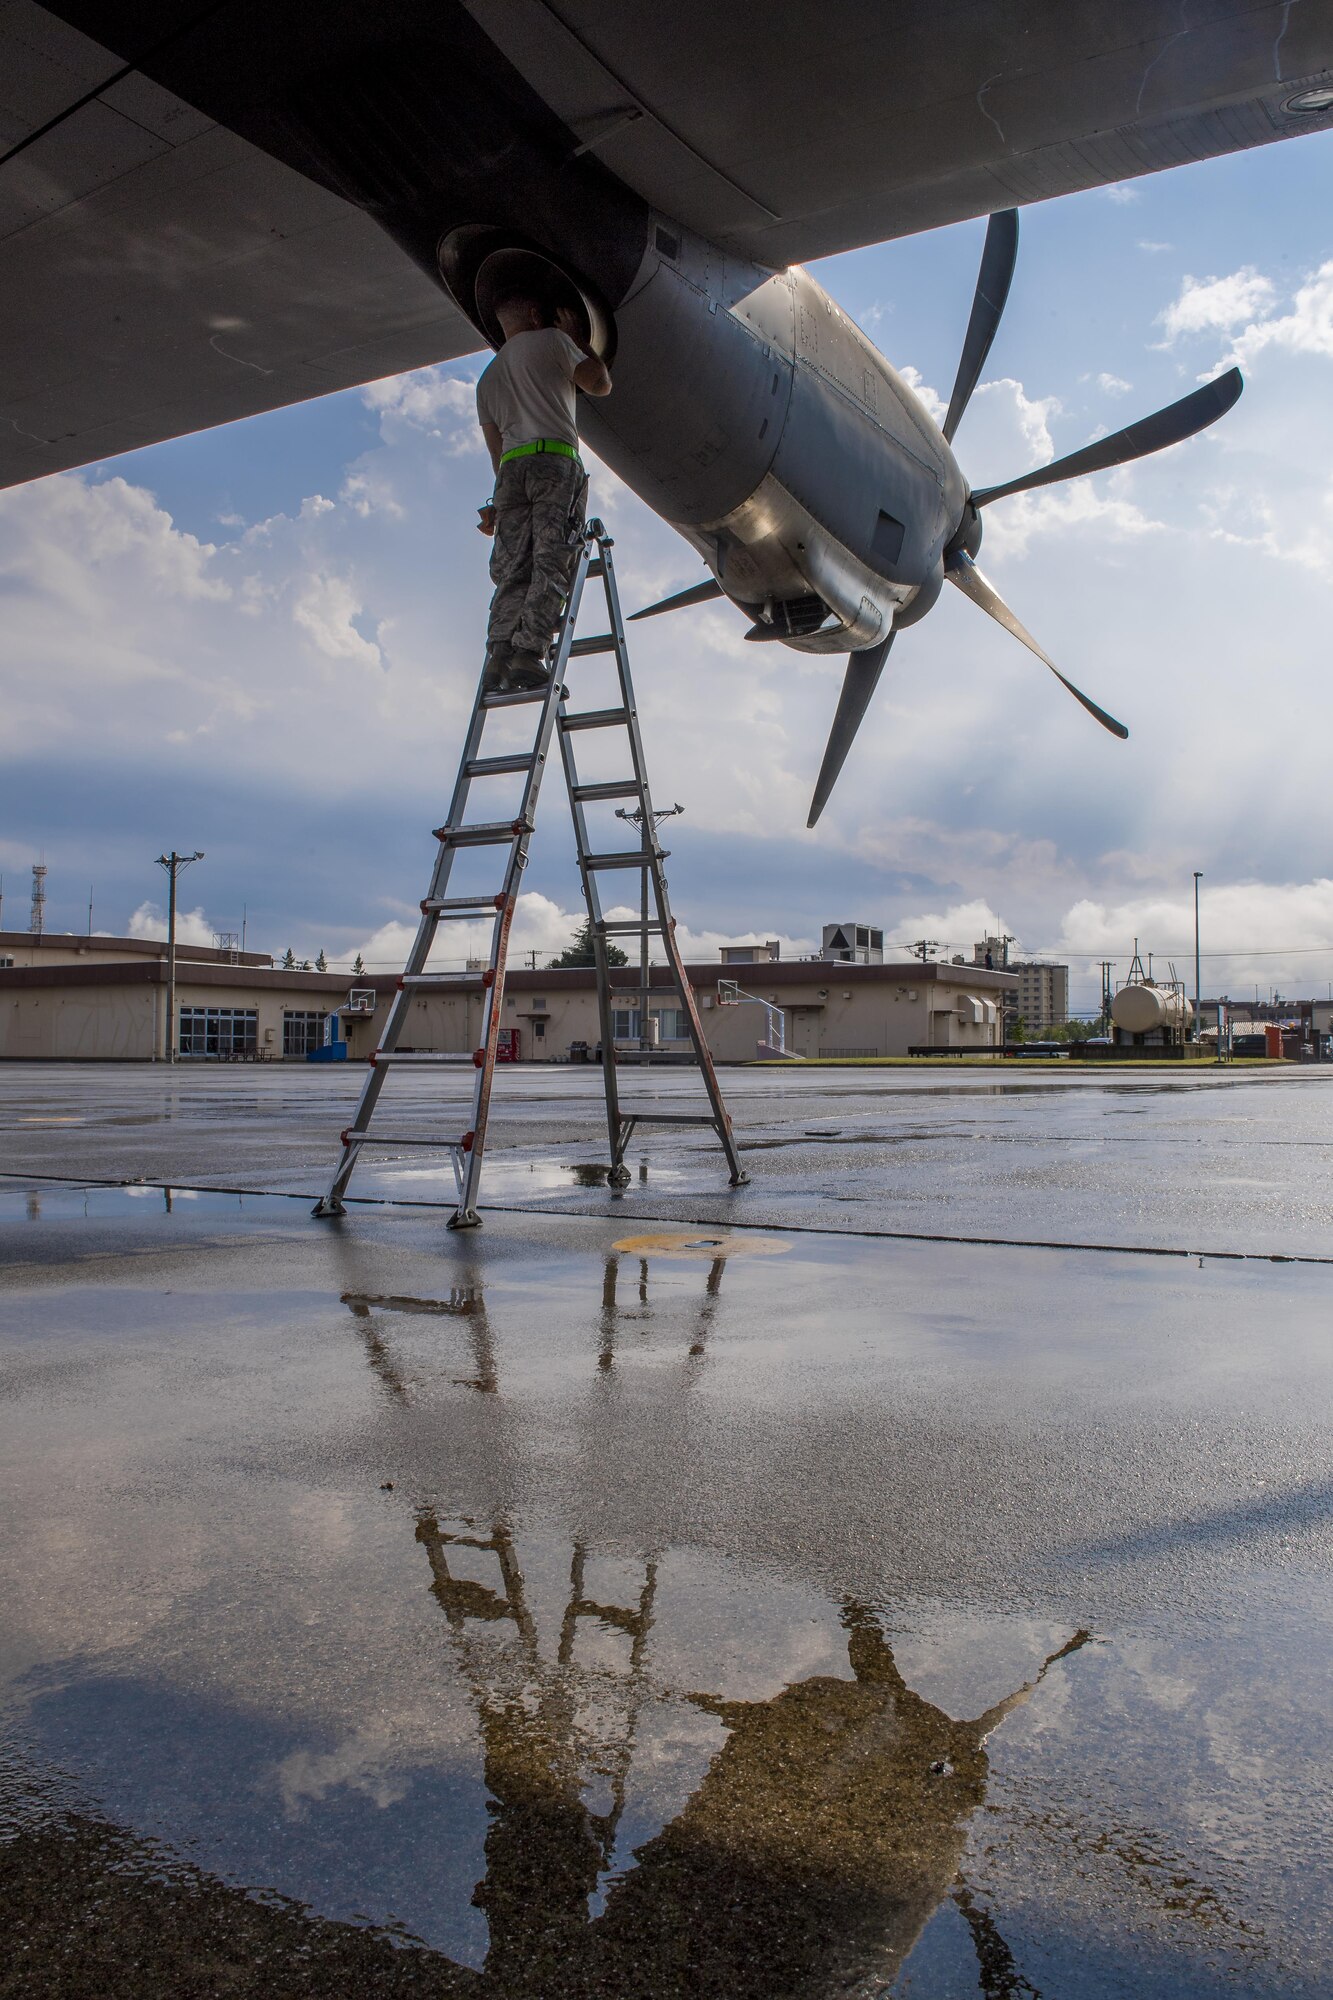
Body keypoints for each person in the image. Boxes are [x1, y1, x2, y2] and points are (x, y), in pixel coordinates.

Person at [475, 292, 612, 692]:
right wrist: (581, 342)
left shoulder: (488, 378)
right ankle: (529, 653)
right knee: (551, 561)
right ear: (535, 313)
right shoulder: (552, 340)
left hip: (511, 471)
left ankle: (498, 655)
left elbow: (496, 451)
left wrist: (497, 506)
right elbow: (599, 383)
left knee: (513, 568)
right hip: (554, 459)